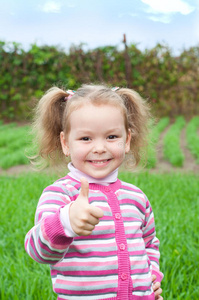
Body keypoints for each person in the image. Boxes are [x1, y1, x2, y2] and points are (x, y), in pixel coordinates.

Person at [25, 84, 164, 300]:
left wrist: (152, 277)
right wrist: (65, 222)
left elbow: (149, 243)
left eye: (111, 137)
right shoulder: (60, 194)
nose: (99, 148)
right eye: (86, 139)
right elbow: (38, 250)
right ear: (65, 143)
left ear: (126, 140)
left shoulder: (136, 197)